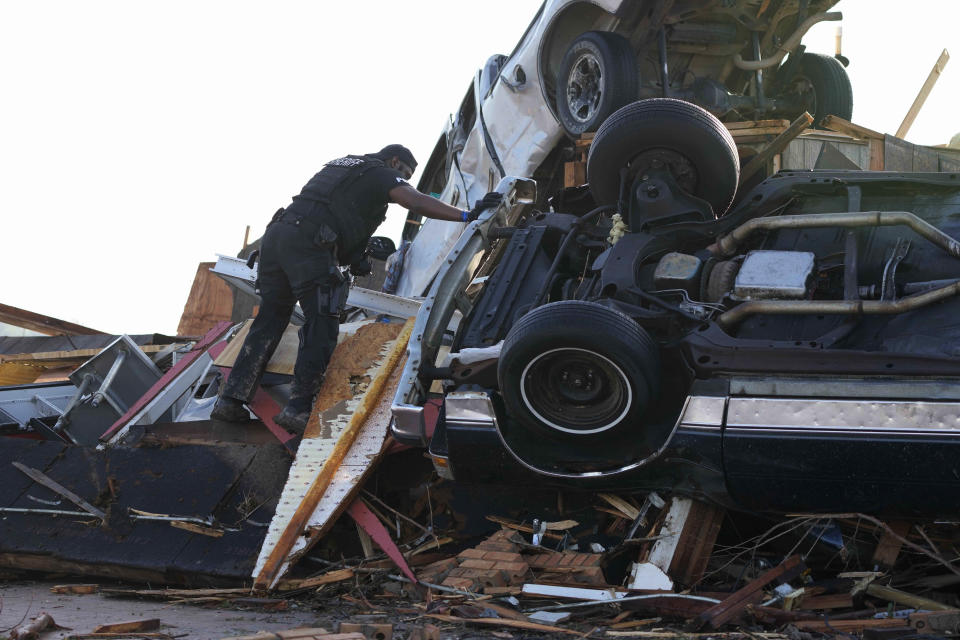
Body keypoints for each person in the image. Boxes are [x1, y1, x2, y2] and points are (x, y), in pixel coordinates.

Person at [210, 144, 503, 432]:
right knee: (322, 323)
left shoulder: (343, 166)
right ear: (394, 161)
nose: (406, 179)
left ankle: (230, 400)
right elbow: (413, 200)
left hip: (277, 238)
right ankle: (298, 407)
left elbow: (336, 212)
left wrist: (356, 256)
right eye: (405, 173)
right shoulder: (379, 172)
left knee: (270, 320)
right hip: (308, 243)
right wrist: (466, 215)